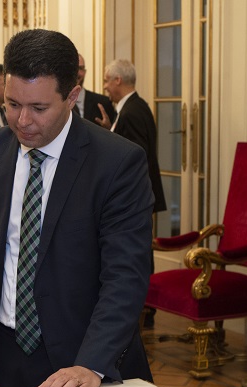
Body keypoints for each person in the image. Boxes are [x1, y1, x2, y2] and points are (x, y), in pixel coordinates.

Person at [0, 29, 154, 387]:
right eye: (12, 104)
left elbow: (125, 274)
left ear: (72, 96)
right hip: (9, 350)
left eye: (39, 108)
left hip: (87, 359)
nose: (22, 121)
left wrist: (91, 363)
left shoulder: (117, 162)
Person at [99, 59, 167, 329]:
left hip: (136, 196)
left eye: (106, 80)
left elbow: (136, 155)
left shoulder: (133, 110)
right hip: (139, 195)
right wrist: (110, 132)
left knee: (138, 251)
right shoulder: (131, 107)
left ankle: (143, 307)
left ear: (118, 80)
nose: (104, 86)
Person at [74, 53, 117, 125]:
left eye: (80, 68)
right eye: (74, 68)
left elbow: (114, 134)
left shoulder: (104, 103)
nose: (77, 72)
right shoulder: (57, 102)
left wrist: (108, 130)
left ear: (85, 72)